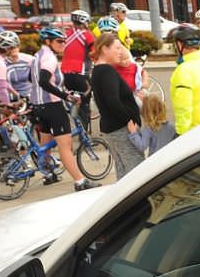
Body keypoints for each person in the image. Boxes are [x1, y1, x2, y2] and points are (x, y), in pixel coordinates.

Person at [30, 27, 99, 191]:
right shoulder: (49, 58)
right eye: (59, 41)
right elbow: (44, 81)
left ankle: (48, 174)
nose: (63, 44)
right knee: (65, 146)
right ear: (48, 42)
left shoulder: (37, 56)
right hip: (52, 106)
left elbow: (31, 79)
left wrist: (61, 91)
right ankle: (80, 182)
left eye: (64, 41)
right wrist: (65, 96)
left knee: (45, 142)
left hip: (38, 106)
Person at [90, 32, 145, 179]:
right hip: (121, 128)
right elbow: (112, 100)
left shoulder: (98, 70)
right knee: (137, 171)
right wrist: (129, 121)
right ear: (104, 49)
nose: (121, 52)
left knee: (123, 169)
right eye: (117, 48)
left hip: (111, 127)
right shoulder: (107, 71)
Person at [61, 10, 95, 131]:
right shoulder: (87, 35)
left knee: (72, 99)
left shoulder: (66, 34)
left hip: (64, 73)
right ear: (84, 22)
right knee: (85, 102)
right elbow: (94, 52)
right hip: (81, 73)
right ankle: (85, 134)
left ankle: (73, 123)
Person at [127, 92, 175, 156]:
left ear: (145, 113)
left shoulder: (148, 129)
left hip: (155, 160)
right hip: (171, 157)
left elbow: (142, 146)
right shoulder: (172, 126)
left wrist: (134, 133)